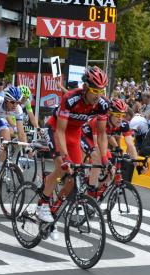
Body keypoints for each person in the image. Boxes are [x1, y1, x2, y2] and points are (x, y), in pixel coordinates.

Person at [36, 66, 110, 223]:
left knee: (74, 176)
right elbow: (60, 131)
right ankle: (42, 205)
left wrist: (104, 158)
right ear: (85, 88)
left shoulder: (102, 104)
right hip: (56, 129)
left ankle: (54, 209)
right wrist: (65, 157)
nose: (98, 96)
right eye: (95, 91)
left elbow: (102, 133)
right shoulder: (70, 98)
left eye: (101, 91)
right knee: (61, 168)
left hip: (75, 134)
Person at [80, 98, 140, 199]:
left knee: (111, 171)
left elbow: (130, 144)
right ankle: (90, 192)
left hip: (101, 139)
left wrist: (137, 164)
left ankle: (97, 192)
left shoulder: (123, 124)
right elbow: (96, 143)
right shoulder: (100, 121)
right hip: (84, 136)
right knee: (98, 159)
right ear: (109, 114)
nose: (120, 118)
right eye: (117, 115)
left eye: (122, 115)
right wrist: (105, 161)